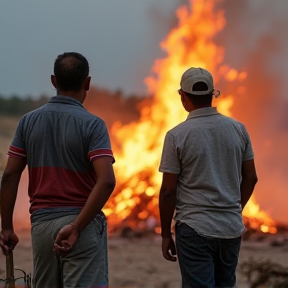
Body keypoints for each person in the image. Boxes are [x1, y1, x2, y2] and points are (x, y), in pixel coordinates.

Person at [0, 52, 116, 288]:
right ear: (87, 82)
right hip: (80, 226)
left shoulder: (28, 122)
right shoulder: (93, 125)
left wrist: (6, 227)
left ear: (54, 81)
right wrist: (75, 227)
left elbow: (10, 174)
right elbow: (106, 181)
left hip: (41, 226)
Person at [158, 67, 258, 288]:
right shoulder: (238, 129)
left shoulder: (177, 135)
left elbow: (168, 190)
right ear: (213, 94)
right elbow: (251, 178)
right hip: (230, 228)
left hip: (194, 227)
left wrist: (166, 234)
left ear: (182, 96)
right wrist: (233, 209)